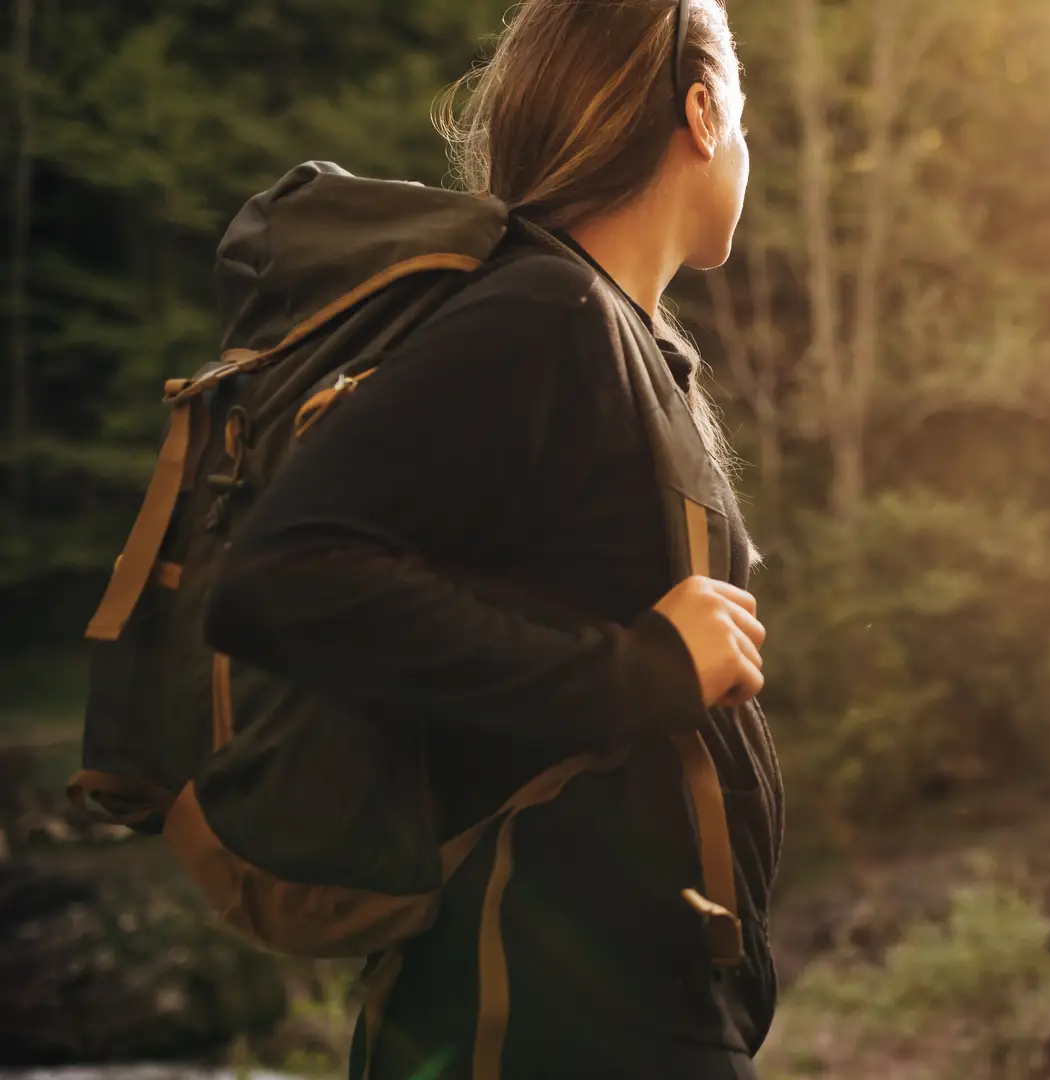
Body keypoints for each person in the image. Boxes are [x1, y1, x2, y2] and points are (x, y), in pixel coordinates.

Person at [202, 1, 782, 1077]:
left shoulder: (616, 336)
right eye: (744, 121)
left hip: (632, 1009)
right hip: (535, 1015)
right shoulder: (547, 313)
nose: (747, 150)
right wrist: (643, 671)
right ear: (703, 115)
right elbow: (283, 580)